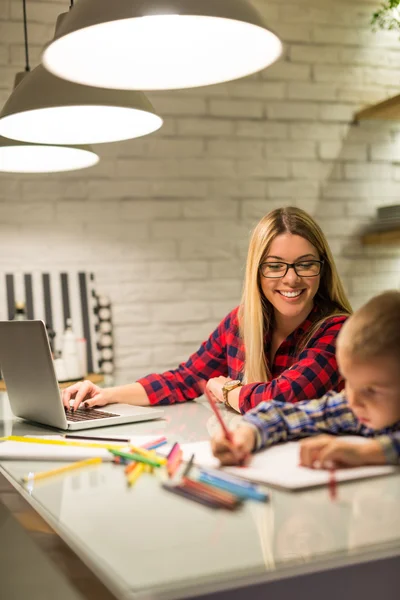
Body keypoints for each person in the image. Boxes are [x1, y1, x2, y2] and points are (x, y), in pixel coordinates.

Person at [62, 206, 351, 415]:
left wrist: (226, 391)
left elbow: (279, 400)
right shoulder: (241, 322)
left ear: (322, 269)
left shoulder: (340, 331)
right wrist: (107, 394)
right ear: (257, 272)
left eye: (305, 264)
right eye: (275, 266)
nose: (291, 279)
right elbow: (185, 380)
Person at [211, 290, 400, 467]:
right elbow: (284, 416)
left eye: (371, 390)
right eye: (349, 382)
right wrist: (246, 434)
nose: (353, 400)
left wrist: (367, 453)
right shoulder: (351, 409)